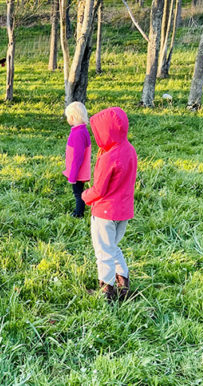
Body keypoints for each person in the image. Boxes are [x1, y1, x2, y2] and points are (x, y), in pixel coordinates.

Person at [82, 107, 138, 302]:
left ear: (107, 131)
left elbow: (99, 190)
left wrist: (85, 196)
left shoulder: (108, 157)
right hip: (123, 211)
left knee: (103, 251)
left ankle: (106, 290)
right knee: (113, 246)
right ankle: (123, 281)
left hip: (105, 212)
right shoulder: (130, 150)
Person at [62, 102, 91, 218]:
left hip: (78, 172)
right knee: (79, 192)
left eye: (68, 117)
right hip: (79, 170)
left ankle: (78, 213)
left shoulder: (78, 133)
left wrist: (72, 176)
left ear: (73, 117)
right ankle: (80, 210)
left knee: (78, 193)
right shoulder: (81, 130)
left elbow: (78, 157)